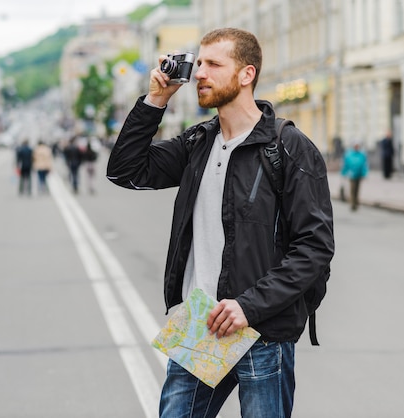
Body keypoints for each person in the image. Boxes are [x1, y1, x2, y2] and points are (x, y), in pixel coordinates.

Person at [106, 28, 334, 418]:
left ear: (246, 74)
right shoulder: (199, 142)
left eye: (213, 64)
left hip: (260, 329)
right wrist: (156, 100)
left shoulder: (289, 147)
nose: (200, 73)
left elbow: (314, 249)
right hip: (201, 322)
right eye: (199, 64)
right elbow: (126, 170)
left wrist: (248, 306)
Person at [341, 141, 369, 211]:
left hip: (359, 174)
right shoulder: (349, 154)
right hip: (351, 175)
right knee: (352, 189)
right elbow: (346, 164)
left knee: (357, 189)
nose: (356, 147)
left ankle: (356, 202)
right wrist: (344, 172)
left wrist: (364, 173)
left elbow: (364, 165)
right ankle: (353, 204)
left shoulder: (361, 154)